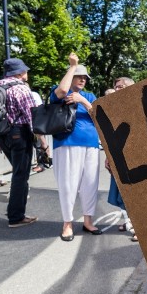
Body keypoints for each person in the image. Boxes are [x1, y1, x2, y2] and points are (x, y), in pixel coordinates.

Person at [50, 53, 101, 241]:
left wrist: (83, 100)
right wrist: (72, 66)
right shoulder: (58, 90)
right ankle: (67, 223)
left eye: (85, 77)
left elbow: (99, 116)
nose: (83, 79)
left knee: (90, 183)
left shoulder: (89, 95)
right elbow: (62, 92)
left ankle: (88, 221)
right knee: (68, 184)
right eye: (79, 76)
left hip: (91, 144)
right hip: (66, 143)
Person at [0, 58, 38, 228]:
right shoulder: (21, 88)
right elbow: (31, 116)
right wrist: (40, 140)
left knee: (17, 173)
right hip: (19, 134)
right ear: (19, 73)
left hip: (1, 135)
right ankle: (16, 217)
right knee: (21, 176)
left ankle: (14, 209)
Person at [105, 76, 137, 239]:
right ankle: (130, 221)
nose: (116, 90)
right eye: (116, 87)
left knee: (135, 193)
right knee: (121, 192)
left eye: (120, 87)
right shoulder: (114, 108)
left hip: (134, 157)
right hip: (119, 156)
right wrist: (108, 156)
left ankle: (140, 226)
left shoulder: (136, 106)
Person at [30, 90, 51, 174]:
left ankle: (41, 164)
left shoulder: (34, 95)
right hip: (25, 125)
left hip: (35, 125)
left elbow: (39, 110)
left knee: (39, 145)